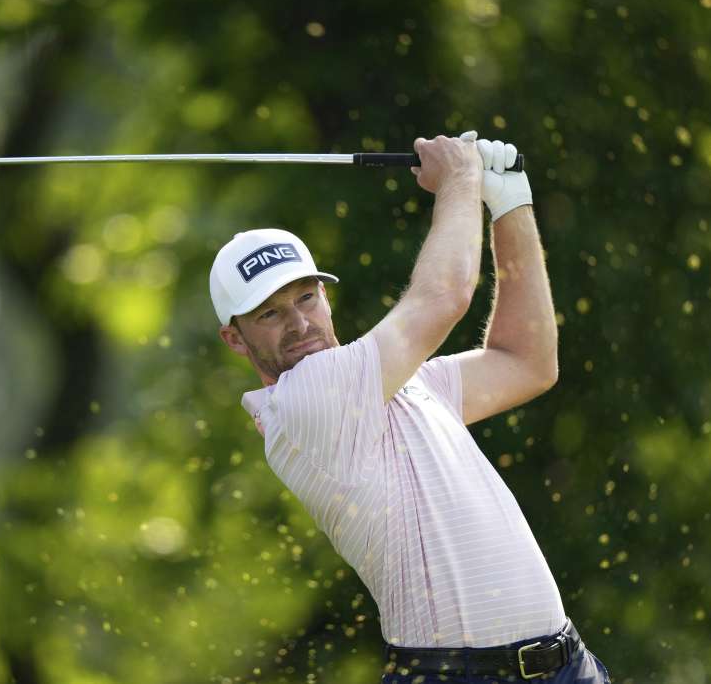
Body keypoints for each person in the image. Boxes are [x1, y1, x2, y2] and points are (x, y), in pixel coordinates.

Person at [209, 131, 611, 683]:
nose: (300, 323)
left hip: (569, 665)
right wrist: (462, 178)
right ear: (235, 339)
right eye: (270, 314)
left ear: (326, 296)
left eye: (306, 297)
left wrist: (510, 202)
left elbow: (526, 361)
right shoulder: (305, 402)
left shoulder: (405, 386)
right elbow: (445, 298)